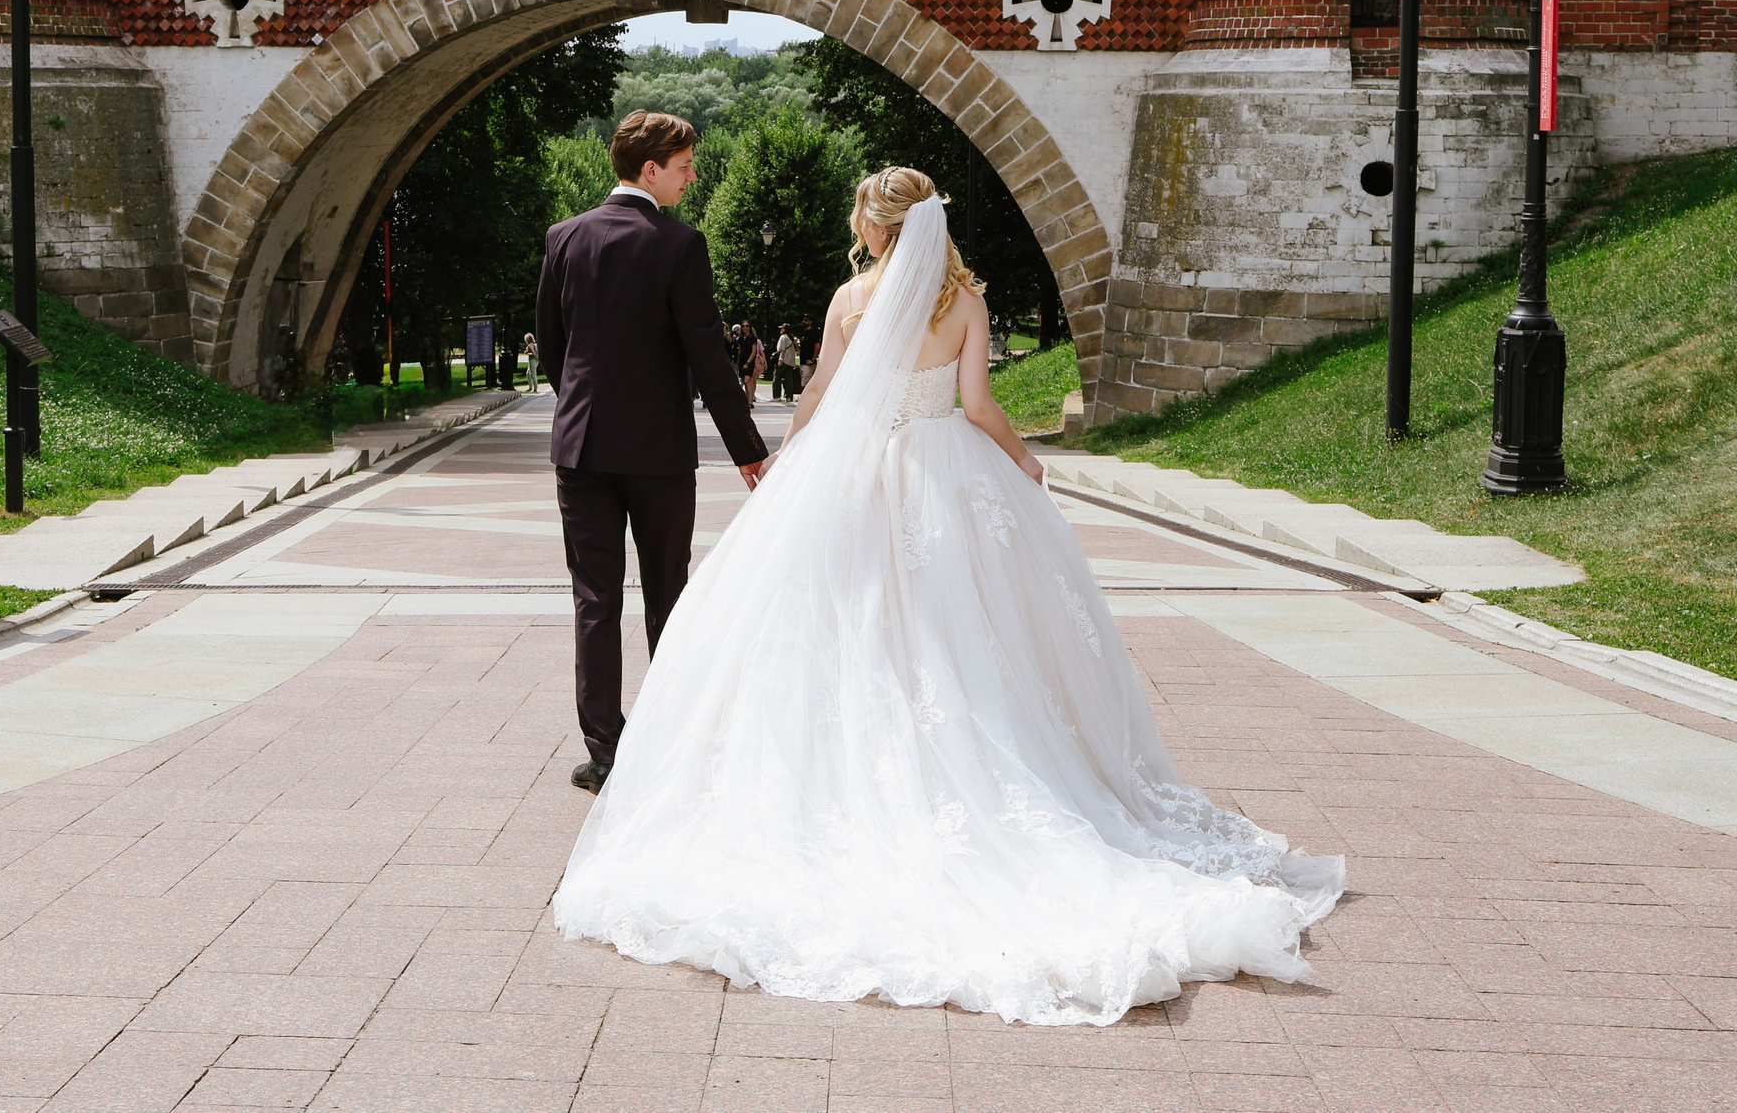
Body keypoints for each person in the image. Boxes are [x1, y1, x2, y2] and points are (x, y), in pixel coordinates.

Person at [553, 167, 1342, 1026]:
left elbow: (818, 391)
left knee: (858, 631)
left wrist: (783, 461)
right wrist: (1026, 461)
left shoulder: (851, 299)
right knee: (964, 637)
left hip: (856, 480)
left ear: (874, 225)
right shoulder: (963, 303)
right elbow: (976, 406)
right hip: (944, 479)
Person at [536, 112, 769, 796]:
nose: (693, 175)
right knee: (668, 594)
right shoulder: (679, 244)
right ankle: (670, 743)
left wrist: (584, 409)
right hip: (661, 454)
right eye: (685, 164)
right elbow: (707, 355)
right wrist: (747, 450)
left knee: (593, 598)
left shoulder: (563, 238)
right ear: (650, 170)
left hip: (580, 449)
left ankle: (605, 753)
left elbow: (553, 348)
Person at [772, 323, 801, 401]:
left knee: (777, 377)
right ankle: (789, 396)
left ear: (784, 329)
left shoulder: (783, 337)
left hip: (784, 360)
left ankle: (777, 395)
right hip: (790, 361)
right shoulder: (791, 339)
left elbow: (782, 350)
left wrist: (780, 359)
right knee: (788, 379)